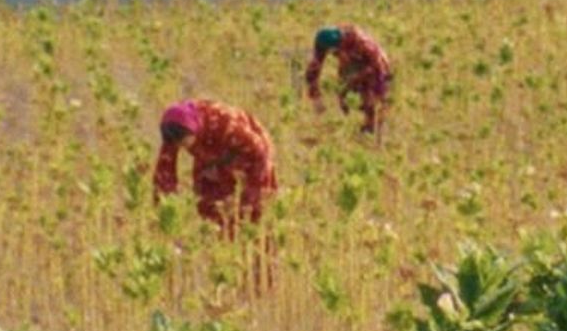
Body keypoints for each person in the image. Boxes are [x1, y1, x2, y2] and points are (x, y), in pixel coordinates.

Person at [152, 100, 278, 231]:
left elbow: (260, 154)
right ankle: (219, 236)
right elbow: (164, 173)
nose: (182, 147)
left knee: (253, 212)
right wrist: (164, 213)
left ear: (192, 131)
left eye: (183, 143)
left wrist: (248, 198)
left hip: (247, 153)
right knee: (207, 205)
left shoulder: (226, 125)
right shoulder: (174, 129)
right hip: (210, 155)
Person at [305, 25, 392, 133]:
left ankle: (372, 124)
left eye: (335, 51)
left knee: (370, 94)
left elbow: (378, 67)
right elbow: (313, 70)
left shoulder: (361, 43)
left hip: (373, 64)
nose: (333, 54)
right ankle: (348, 113)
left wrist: (356, 80)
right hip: (351, 61)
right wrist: (316, 98)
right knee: (344, 87)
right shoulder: (323, 42)